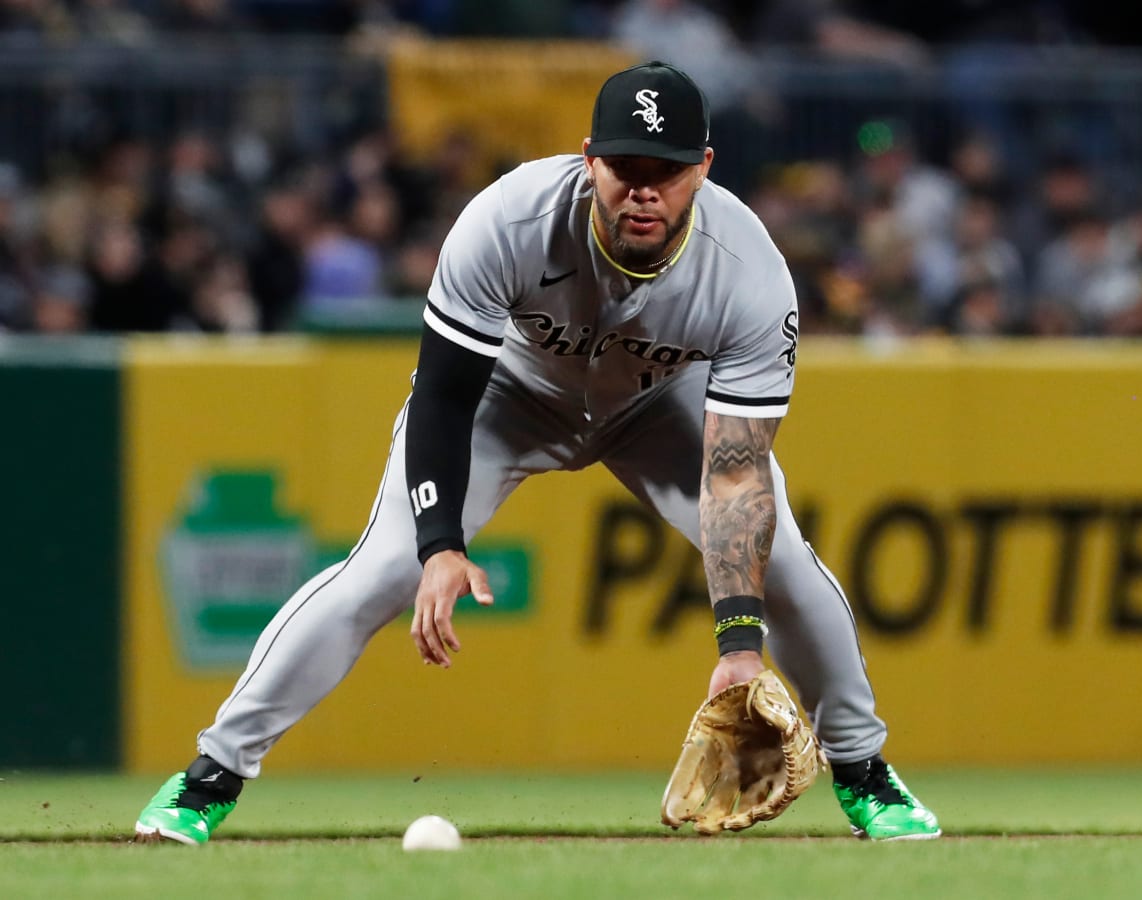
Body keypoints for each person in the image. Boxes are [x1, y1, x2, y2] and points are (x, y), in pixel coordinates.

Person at [134, 61, 940, 844]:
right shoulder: (509, 219)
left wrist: (739, 648)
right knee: (382, 572)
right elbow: (445, 397)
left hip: (657, 407)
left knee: (786, 565)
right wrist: (441, 544)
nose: (645, 189)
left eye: (667, 168)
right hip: (505, 397)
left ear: (705, 167)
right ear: (589, 161)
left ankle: (864, 770)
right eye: (625, 166)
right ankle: (210, 777)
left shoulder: (749, 273)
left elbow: (734, 475)